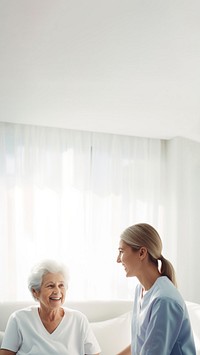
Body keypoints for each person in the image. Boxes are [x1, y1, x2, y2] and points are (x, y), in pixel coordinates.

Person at [116, 223, 196, 355]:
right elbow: (140, 344)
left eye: (121, 251)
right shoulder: (140, 290)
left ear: (142, 253)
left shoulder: (164, 300)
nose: (118, 259)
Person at [0, 259, 101, 355]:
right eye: (50, 286)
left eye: (61, 285)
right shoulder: (18, 319)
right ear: (35, 292)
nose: (57, 291)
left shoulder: (79, 320)